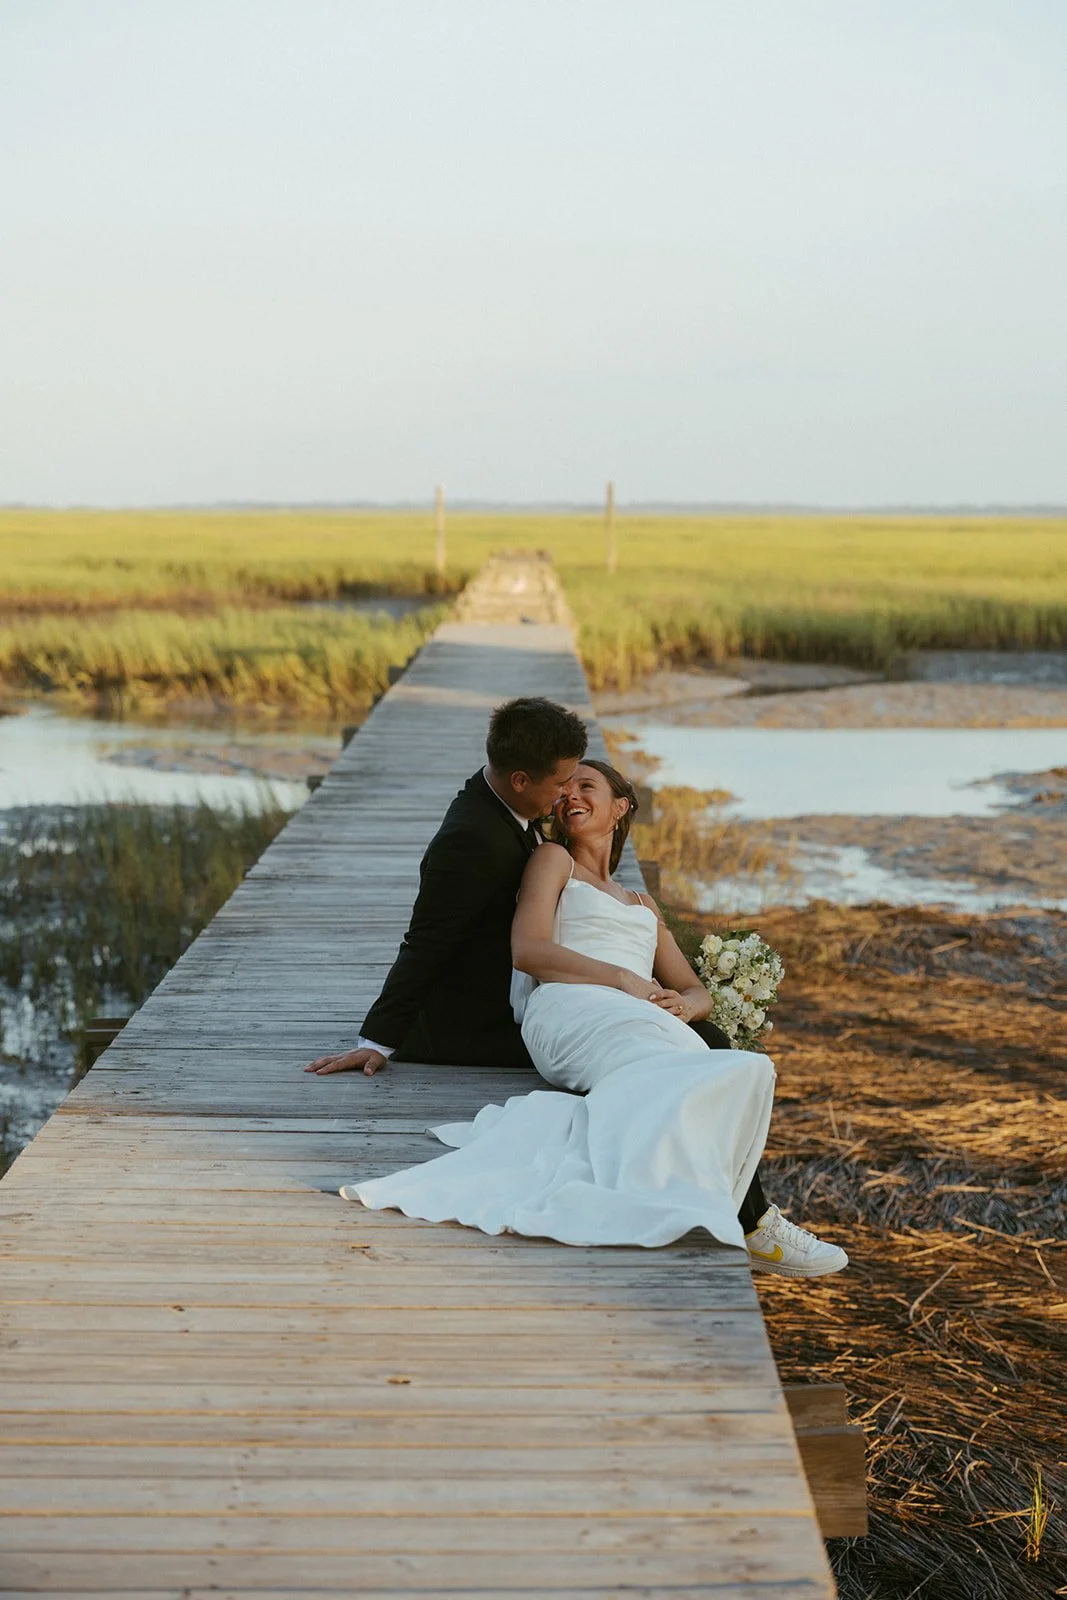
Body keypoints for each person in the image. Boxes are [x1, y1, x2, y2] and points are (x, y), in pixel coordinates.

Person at [307, 702, 846, 1273]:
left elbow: (691, 986)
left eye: (584, 783)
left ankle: (721, 1205)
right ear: (524, 783)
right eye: (564, 784)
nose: (569, 794)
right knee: (702, 1061)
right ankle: (753, 1223)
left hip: (628, 1008)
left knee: (714, 1049)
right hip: (568, 1006)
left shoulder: (642, 902)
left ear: (622, 808)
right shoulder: (544, 857)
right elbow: (455, 942)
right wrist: (379, 1038)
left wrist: (684, 1001)